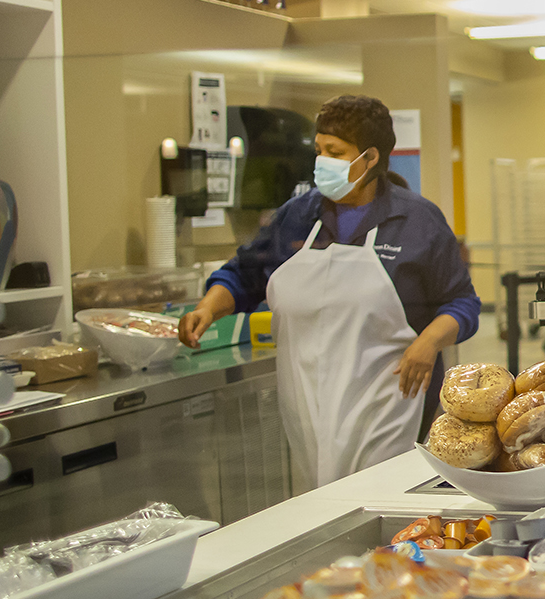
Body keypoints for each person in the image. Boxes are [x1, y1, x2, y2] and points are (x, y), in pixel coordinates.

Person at [177, 95, 479, 488]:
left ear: (370, 158)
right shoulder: (297, 217)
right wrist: (207, 308)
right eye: (319, 150)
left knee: (381, 496)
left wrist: (429, 342)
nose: (322, 162)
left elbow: (462, 302)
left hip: (390, 398)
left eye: (335, 152)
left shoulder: (416, 220)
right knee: (321, 501)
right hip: (306, 402)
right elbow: (243, 276)